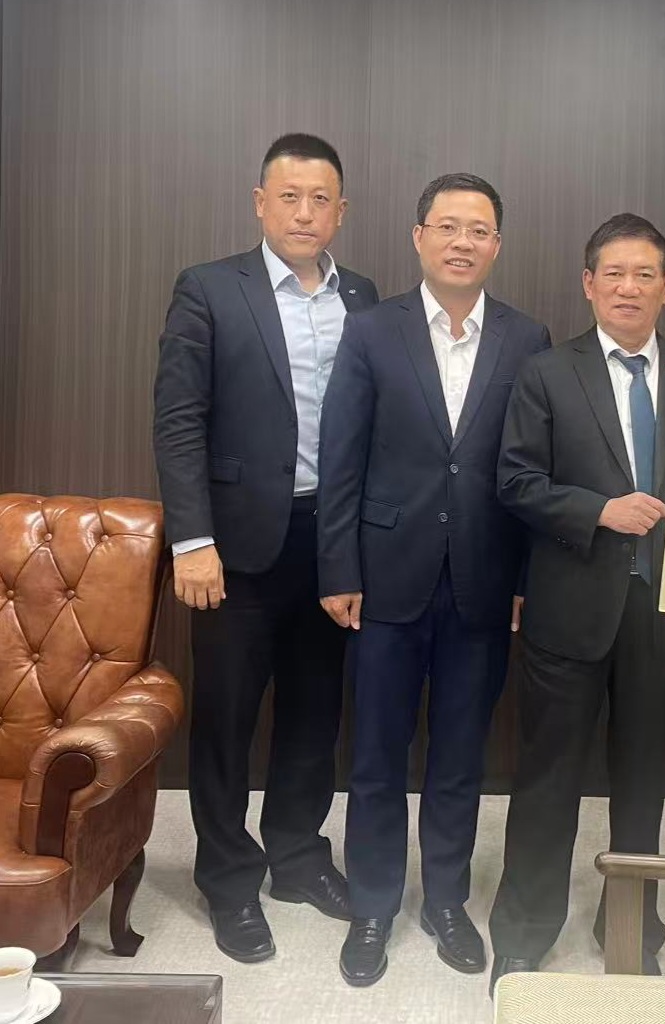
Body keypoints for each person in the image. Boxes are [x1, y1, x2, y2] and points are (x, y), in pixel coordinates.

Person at [315, 174, 551, 986]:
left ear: (497, 245)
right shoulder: (371, 331)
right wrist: (338, 566)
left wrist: (524, 576)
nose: (462, 242)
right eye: (447, 226)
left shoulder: (527, 338)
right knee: (376, 754)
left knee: (460, 754)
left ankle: (446, 900)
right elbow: (341, 458)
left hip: (483, 579)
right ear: (419, 238)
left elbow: (535, 469)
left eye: (478, 229)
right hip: (383, 578)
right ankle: (374, 904)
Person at [152, 133, 378, 962]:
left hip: (331, 540)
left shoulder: (362, 295)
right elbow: (179, 421)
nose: (304, 213)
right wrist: (193, 540)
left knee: (315, 713)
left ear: (341, 211)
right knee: (226, 719)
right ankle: (228, 879)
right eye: (289, 196)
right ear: (260, 203)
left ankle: (297, 856)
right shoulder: (210, 288)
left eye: (320, 199)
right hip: (234, 547)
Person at [488, 214, 665, 993]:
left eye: (644, 274)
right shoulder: (547, 372)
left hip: (664, 612)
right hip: (570, 607)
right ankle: (524, 931)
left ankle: (631, 926)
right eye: (613, 274)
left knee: (644, 782)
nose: (629, 288)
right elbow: (515, 481)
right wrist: (600, 510)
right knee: (547, 781)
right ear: (589, 285)